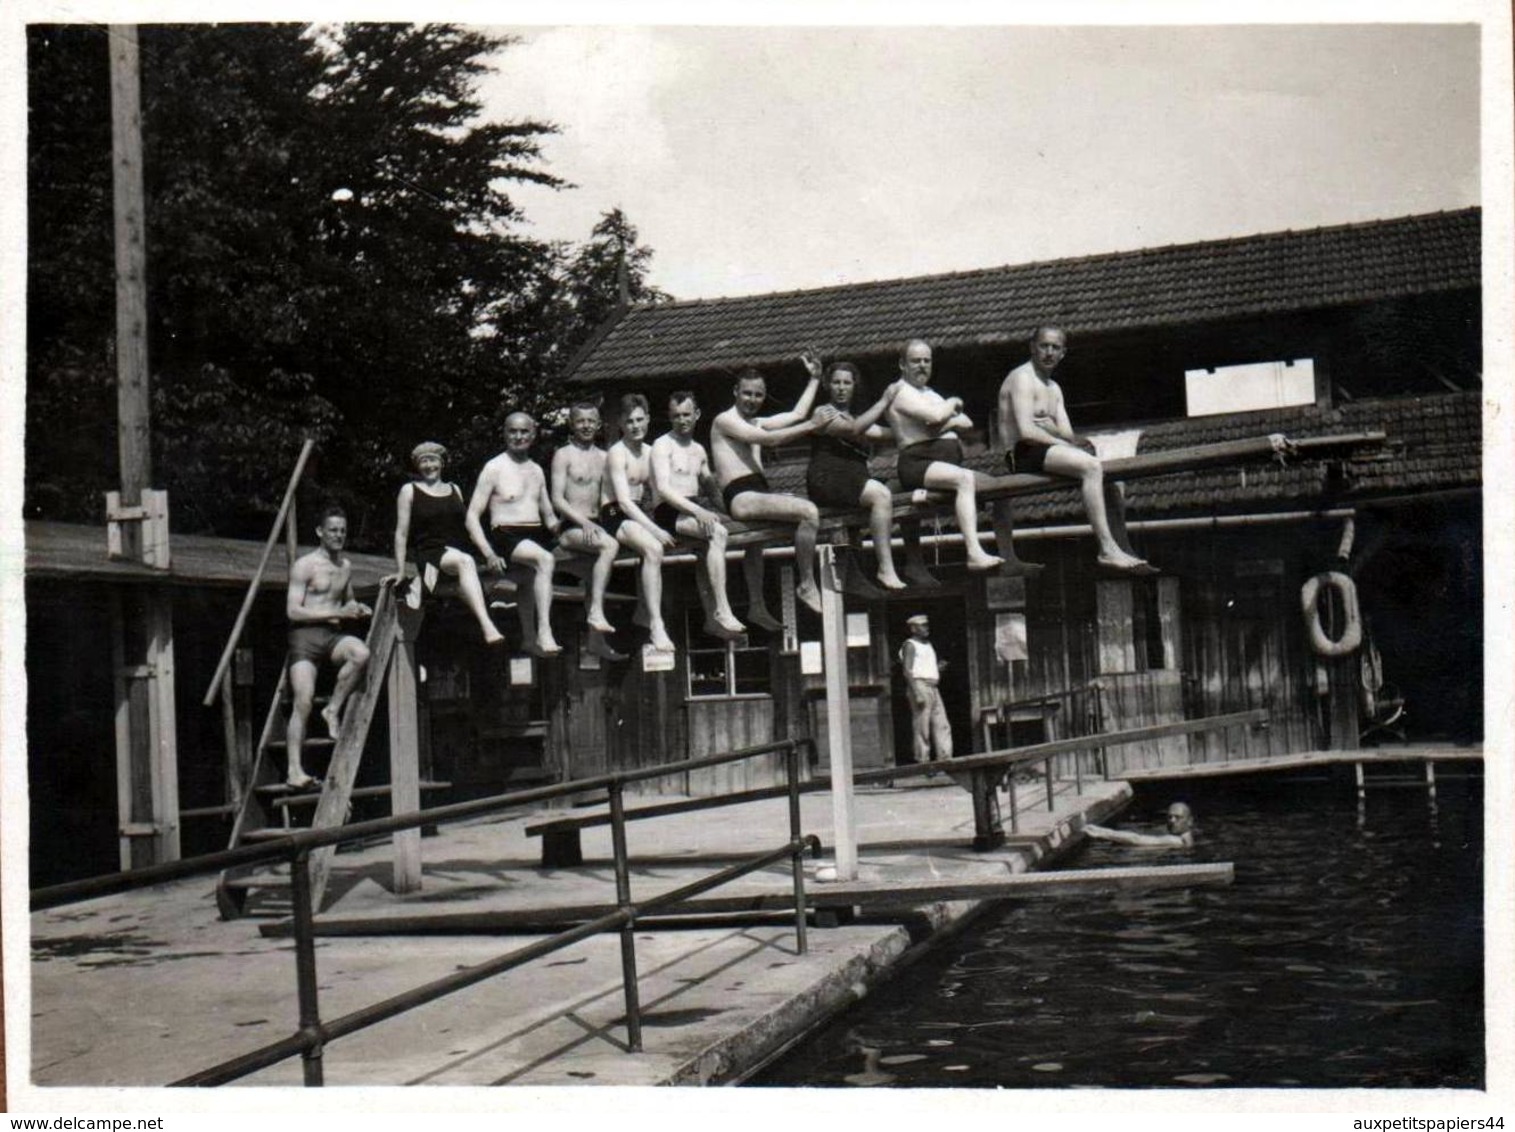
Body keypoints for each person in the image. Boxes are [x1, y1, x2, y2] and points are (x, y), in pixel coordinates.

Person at [998, 326, 1153, 573]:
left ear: (1063, 353)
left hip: (1044, 450)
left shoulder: (1054, 388)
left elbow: (1069, 434)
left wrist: (1052, 430)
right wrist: (1056, 436)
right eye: (1044, 346)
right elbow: (1027, 432)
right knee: (1091, 466)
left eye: (1055, 347)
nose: (1049, 352)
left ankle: (1124, 547)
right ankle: (1106, 549)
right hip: (1022, 454)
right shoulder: (1022, 378)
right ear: (1032, 347)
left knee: (1109, 480)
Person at [710, 356, 834, 624]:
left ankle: (756, 605)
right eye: (747, 393)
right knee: (809, 512)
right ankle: (806, 583)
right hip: (741, 495)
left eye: (758, 395)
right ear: (736, 392)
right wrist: (813, 425)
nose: (752, 399)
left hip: (758, 491)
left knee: (757, 544)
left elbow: (796, 415)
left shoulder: (756, 422)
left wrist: (814, 378)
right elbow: (770, 439)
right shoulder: (724, 421)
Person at [885, 338, 1005, 572]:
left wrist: (942, 420)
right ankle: (974, 552)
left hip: (943, 463)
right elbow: (937, 416)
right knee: (964, 480)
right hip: (918, 462)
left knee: (1001, 488)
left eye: (926, 361)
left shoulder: (929, 392)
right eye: (916, 361)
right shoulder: (899, 391)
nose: (922, 365)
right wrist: (953, 403)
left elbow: (966, 422)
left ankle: (1008, 554)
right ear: (902, 364)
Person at [648, 391, 749, 642]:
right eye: (676, 416)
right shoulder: (662, 445)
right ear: (669, 418)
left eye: (686, 415)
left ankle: (711, 619)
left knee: (709, 547)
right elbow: (663, 489)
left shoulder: (699, 450)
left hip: (691, 509)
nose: (682, 420)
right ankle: (722, 609)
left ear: (697, 415)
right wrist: (698, 511)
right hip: (668, 512)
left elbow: (712, 490)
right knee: (718, 533)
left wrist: (734, 509)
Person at [284, 505, 372, 790]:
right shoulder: (305, 565)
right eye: (333, 530)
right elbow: (293, 611)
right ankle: (294, 770)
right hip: (305, 637)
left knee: (361, 654)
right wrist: (335, 614)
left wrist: (359, 608)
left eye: (343, 531)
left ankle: (333, 709)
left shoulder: (345, 567)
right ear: (320, 532)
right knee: (304, 700)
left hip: (332, 636)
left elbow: (347, 602)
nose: (338, 536)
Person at [805, 361, 910, 595]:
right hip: (828, 478)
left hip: (852, 478)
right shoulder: (823, 413)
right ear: (827, 385)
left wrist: (920, 427)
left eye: (847, 383)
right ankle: (885, 568)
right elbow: (852, 430)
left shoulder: (856, 418)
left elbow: (887, 434)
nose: (841, 388)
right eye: (836, 382)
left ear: (854, 386)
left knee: (902, 488)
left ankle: (913, 564)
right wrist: (884, 401)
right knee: (881, 495)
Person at [465, 411, 564, 658]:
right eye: (513, 431)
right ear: (504, 433)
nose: (518, 437)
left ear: (533, 435)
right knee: (545, 560)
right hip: (506, 534)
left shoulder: (537, 470)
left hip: (535, 534)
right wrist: (488, 553)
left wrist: (577, 528)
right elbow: (471, 517)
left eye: (524, 432)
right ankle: (544, 630)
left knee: (540, 575)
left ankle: (529, 638)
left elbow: (550, 516)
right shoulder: (494, 467)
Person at [388, 441, 504, 645]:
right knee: (465, 562)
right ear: (417, 466)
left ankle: (486, 627)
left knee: (490, 577)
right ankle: (487, 626)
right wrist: (399, 570)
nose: (428, 465)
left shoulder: (455, 490)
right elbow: (401, 533)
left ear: (441, 463)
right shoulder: (410, 490)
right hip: (430, 557)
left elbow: (469, 527)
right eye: (423, 461)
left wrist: (489, 554)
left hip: (454, 557)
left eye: (432, 460)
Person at [550, 402, 628, 661]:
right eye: (580, 421)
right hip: (573, 527)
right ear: (572, 424)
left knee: (595, 577)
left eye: (591, 421)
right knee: (609, 547)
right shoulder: (563, 455)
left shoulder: (605, 457)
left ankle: (595, 641)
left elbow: (612, 499)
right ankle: (595, 611)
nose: (586, 426)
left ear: (598, 424)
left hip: (598, 526)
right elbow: (557, 500)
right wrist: (584, 523)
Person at [603, 393, 679, 653]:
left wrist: (668, 521)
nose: (635, 426)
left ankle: (645, 612)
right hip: (614, 514)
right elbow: (623, 502)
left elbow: (660, 492)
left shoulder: (650, 453)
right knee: (654, 548)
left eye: (639, 420)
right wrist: (655, 530)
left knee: (660, 547)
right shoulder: (617, 453)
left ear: (647, 419)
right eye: (629, 422)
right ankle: (657, 625)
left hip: (637, 513)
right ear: (621, 424)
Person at [898, 613, 952, 767]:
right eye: (922, 626)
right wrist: (916, 692)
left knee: (941, 723)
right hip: (919, 685)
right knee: (922, 725)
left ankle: (945, 759)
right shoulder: (910, 645)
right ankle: (923, 760)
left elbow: (926, 667)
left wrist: (938, 669)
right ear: (913, 628)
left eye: (927, 625)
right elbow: (907, 670)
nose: (926, 628)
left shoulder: (928, 644)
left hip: (933, 686)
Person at [1085, 801, 1195, 848]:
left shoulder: (1177, 841)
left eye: (1178, 817)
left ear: (1190, 821)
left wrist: (1102, 833)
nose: (1172, 820)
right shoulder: (1190, 836)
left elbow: (1136, 839)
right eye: (1169, 817)